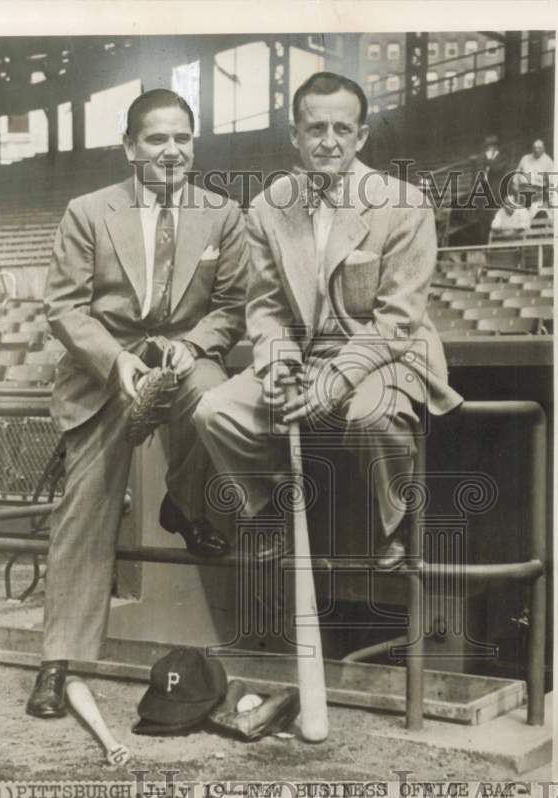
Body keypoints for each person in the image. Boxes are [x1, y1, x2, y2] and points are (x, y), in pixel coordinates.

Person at [26, 88, 248, 719]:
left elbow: (231, 307)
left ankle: (181, 499)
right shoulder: (88, 211)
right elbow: (63, 307)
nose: (171, 151)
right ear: (130, 147)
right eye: (156, 139)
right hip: (105, 376)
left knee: (215, 397)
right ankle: (57, 663)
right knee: (85, 509)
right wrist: (116, 359)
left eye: (182, 138)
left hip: (182, 365)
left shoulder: (223, 215)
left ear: (193, 146)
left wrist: (193, 344)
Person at [194, 72, 462, 571]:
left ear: (361, 136)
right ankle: (270, 507)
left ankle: (396, 520)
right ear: (294, 135)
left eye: (342, 129)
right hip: (302, 358)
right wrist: (276, 364)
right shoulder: (268, 207)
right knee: (216, 411)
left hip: (385, 354)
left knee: (371, 412)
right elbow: (267, 307)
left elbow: (398, 320)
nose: (329, 141)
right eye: (315, 129)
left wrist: (338, 377)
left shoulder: (404, 203)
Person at [472, 133, 511, 244]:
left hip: (496, 195)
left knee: (495, 222)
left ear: (495, 147)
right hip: (483, 196)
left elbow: (496, 169)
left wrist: (488, 159)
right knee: (483, 223)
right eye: (487, 146)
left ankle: (495, 246)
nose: (488, 149)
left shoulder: (503, 157)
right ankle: (484, 246)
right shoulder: (484, 159)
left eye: (490, 146)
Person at [514, 138, 555, 218]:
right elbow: (517, 173)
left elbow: (552, 181)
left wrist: (550, 197)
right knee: (519, 212)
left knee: (533, 211)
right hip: (523, 190)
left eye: (539, 148)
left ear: (544, 148)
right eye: (535, 147)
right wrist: (515, 185)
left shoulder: (548, 161)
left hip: (538, 192)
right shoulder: (525, 158)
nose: (536, 150)